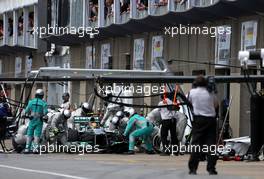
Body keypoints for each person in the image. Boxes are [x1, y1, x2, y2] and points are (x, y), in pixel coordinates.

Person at [187, 75, 219, 175]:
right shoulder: (211, 92)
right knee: (211, 145)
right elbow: (216, 105)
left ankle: (193, 169)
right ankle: (211, 168)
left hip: (199, 120)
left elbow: (189, 102)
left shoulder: (192, 92)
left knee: (196, 144)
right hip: (211, 120)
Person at [24, 89, 48, 154]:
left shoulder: (31, 102)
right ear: (42, 96)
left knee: (29, 134)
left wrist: (29, 115)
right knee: (37, 135)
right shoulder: (44, 103)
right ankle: (35, 149)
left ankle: (27, 149)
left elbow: (26, 111)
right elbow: (45, 112)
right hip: (39, 120)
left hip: (32, 120)